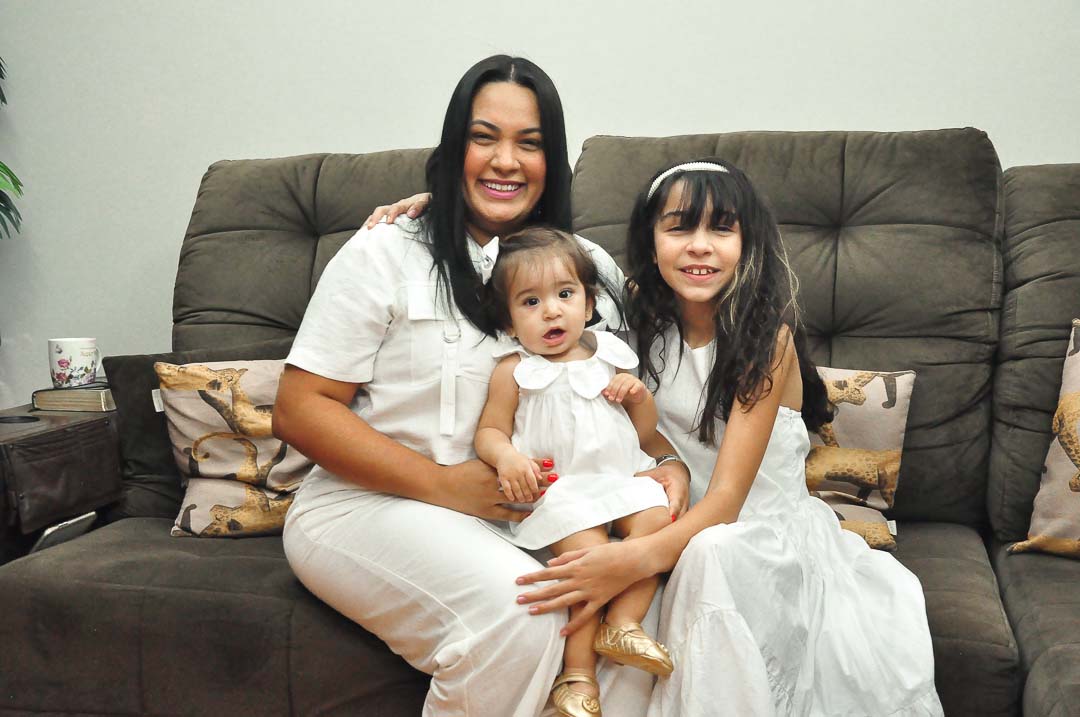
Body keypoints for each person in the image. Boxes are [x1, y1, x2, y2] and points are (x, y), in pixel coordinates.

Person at [273, 55, 690, 717]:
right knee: (524, 607)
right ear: (453, 148)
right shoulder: (386, 250)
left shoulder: (588, 269)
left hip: (543, 515)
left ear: (552, 160)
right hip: (368, 502)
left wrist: (667, 462)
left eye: (530, 143)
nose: (505, 161)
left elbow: (626, 392)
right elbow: (300, 410)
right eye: (483, 137)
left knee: (647, 615)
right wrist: (442, 485)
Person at [515, 159, 945, 715]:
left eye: (721, 228)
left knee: (710, 552)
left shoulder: (767, 340)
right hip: (669, 525)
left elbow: (726, 501)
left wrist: (631, 560)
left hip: (754, 531)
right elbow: (540, 265)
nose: (699, 245)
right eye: (678, 227)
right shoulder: (635, 328)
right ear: (649, 241)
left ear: (748, 242)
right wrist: (428, 210)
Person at [476, 227, 675, 717]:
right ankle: (578, 675)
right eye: (530, 302)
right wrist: (507, 458)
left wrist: (637, 397)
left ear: (588, 306)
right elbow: (490, 431)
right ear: (508, 323)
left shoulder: (610, 356)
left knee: (658, 522)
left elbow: (644, 432)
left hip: (620, 479)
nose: (551, 311)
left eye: (565, 295)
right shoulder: (514, 370)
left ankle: (622, 624)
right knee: (589, 561)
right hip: (562, 492)